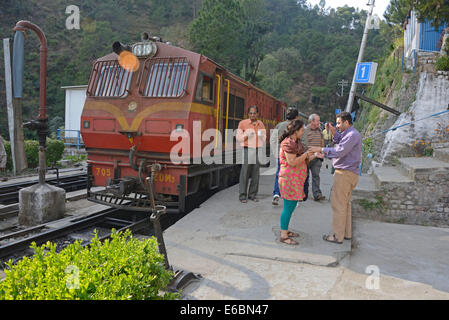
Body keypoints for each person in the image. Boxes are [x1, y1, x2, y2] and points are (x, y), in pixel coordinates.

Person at [309, 111, 362, 244]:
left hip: (344, 174)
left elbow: (340, 151)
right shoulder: (350, 134)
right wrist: (333, 132)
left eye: (338, 123)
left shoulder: (352, 135)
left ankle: (337, 236)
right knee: (345, 205)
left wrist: (321, 149)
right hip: (349, 173)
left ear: (346, 122)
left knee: (338, 205)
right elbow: (340, 142)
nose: (337, 125)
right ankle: (346, 233)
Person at [278, 119, 315, 245]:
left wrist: (314, 155)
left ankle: (286, 230)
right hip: (289, 180)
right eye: (302, 130)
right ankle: (283, 235)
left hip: (295, 180)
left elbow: (303, 158)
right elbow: (292, 162)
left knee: (291, 206)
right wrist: (306, 155)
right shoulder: (288, 143)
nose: (303, 132)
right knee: (288, 207)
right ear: (296, 130)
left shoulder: (296, 142)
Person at [270, 106, 299, 206]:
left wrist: (275, 151)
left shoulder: (279, 125)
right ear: (296, 117)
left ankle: (276, 194)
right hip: (293, 156)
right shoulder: (297, 126)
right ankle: (291, 197)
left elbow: (272, 140)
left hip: (280, 154)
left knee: (279, 174)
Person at [236, 106, 266, 203]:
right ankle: (242, 196)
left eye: (254, 113)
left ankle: (252, 195)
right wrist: (246, 135)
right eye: (251, 113)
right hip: (247, 149)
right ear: (248, 114)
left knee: (255, 173)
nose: (252, 115)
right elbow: (239, 138)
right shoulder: (243, 123)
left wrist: (261, 137)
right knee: (245, 173)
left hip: (257, 149)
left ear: (257, 114)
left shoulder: (260, 124)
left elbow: (264, 137)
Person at [304, 114, 325, 201]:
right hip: (307, 158)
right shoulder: (305, 131)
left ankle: (317, 194)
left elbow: (322, 142)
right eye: (317, 121)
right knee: (305, 176)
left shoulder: (320, 130)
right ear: (311, 121)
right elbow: (303, 144)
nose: (319, 122)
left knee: (316, 176)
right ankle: (303, 194)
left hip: (317, 158)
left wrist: (322, 152)